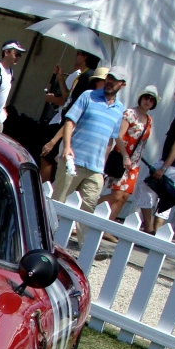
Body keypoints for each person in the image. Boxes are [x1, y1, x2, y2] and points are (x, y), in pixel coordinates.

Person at [52, 66, 127, 244]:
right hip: (73, 160)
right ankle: (46, 239)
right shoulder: (88, 96)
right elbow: (70, 121)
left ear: (122, 85)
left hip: (96, 168)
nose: (110, 81)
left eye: (115, 79)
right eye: (109, 77)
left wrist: (103, 165)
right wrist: (66, 147)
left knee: (89, 210)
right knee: (58, 203)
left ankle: (85, 248)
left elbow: (110, 140)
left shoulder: (119, 108)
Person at [135, 79, 175, 233]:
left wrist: (164, 167)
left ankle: (149, 228)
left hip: (172, 163)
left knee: (144, 186)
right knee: (167, 198)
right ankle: (157, 232)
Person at [97, 86, 157, 221]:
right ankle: (88, 207)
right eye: (146, 98)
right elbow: (119, 136)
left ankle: (108, 225)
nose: (148, 101)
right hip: (121, 157)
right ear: (141, 98)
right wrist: (125, 156)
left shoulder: (149, 119)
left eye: (152, 100)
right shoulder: (129, 113)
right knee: (116, 195)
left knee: (124, 197)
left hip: (134, 163)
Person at [40, 51, 100, 181]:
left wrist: (53, 141)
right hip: (64, 120)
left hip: (68, 124)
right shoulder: (81, 75)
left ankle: (43, 187)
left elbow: (75, 110)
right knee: (49, 157)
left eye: (78, 53)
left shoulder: (87, 77)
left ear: (85, 56)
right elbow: (69, 98)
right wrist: (60, 78)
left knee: (47, 156)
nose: (75, 56)